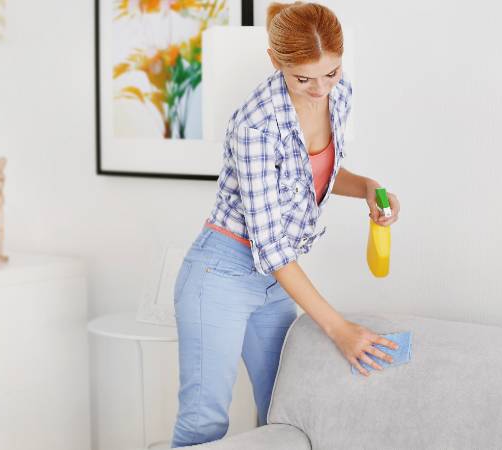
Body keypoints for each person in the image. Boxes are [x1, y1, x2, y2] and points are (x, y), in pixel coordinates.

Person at [171, 1, 401, 447]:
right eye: (304, 79)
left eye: (330, 73)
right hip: (222, 273)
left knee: (281, 412)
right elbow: (272, 248)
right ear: (276, 62)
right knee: (203, 424)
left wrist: (368, 187)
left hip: (274, 280)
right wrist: (339, 329)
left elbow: (313, 175)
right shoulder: (254, 126)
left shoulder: (340, 94)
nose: (320, 89)